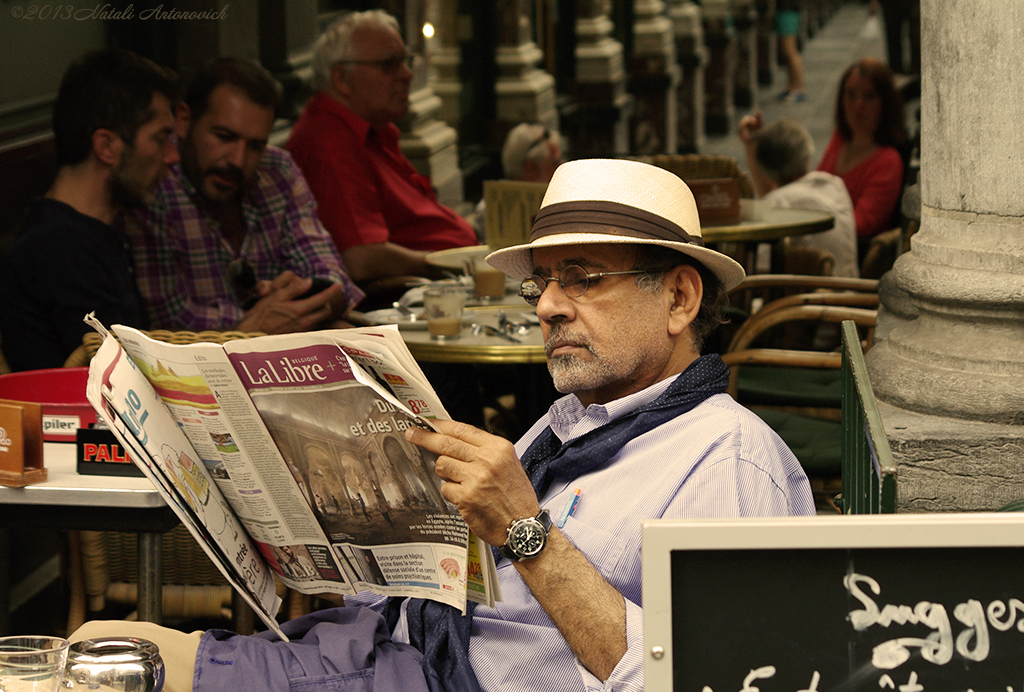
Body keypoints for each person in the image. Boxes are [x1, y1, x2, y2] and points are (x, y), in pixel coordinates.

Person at [71, 158, 815, 692]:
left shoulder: (728, 458)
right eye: (543, 281)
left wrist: (523, 527)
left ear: (680, 297)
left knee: (96, 670)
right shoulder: (570, 425)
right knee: (94, 647)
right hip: (368, 646)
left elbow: (698, 677)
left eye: (583, 277)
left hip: (419, 673)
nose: (550, 305)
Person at [123, 57, 364, 334]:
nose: (238, 160)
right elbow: (168, 320)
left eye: (255, 146)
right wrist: (263, 320)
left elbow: (332, 276)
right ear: (184, 120)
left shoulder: (277, 170)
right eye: (224, 137)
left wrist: (309, 295)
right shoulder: (153, 180)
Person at [0, 49, 179, 371]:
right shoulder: (59, 249)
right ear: (107, 147)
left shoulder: (84, 235)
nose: (171, 156)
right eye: (161, 138)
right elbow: (122, 381)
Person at [286, 10, 478, 285]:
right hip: (428, 293)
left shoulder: (373, 128)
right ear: (341, 79)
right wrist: (445, 264)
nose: (407, 74)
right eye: (389, 64)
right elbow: (362, 259)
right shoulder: (329, 140)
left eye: (406, 61)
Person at [739, 114, 858, 277]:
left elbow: (761, 271)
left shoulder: (776, 201)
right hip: (850, 294)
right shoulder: (834, 185)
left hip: (804, 299)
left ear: (766, 171)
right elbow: (775, 196)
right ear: (807, 154)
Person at [816, 57, 906, 257]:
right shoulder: (839, 140)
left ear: (885, 104)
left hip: (853, 256)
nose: (858, 105)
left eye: (869, 96)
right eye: (850, 95)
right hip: (821, 242)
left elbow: (861, 225)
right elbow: (813, 187)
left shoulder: (888, 160)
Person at [775, 0, 806, 102]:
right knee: (786, 51)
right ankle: (791, 86)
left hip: (788, 10)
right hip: (785, 10)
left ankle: (799, 88)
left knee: (790, 51)